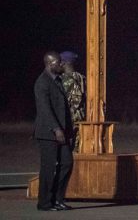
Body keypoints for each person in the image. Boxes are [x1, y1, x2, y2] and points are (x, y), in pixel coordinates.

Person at [34, 51, 74, 211]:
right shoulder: (42, 83)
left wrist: (67, 130)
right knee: (48, 168)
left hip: (62, 131)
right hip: (48, 133)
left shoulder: (57, 81)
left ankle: (57, 198)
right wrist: (56, 129)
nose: (61, 64)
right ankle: (44, 202)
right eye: (59, 62)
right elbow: (45, 109)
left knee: (67, 163)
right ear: (50, 64)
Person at [60, 51, 86, 152]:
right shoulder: (82, 79)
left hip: (68, 121)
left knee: (65, 153)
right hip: (81, 120)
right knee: (77, 152)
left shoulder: (63, 80)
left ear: (65, 63)